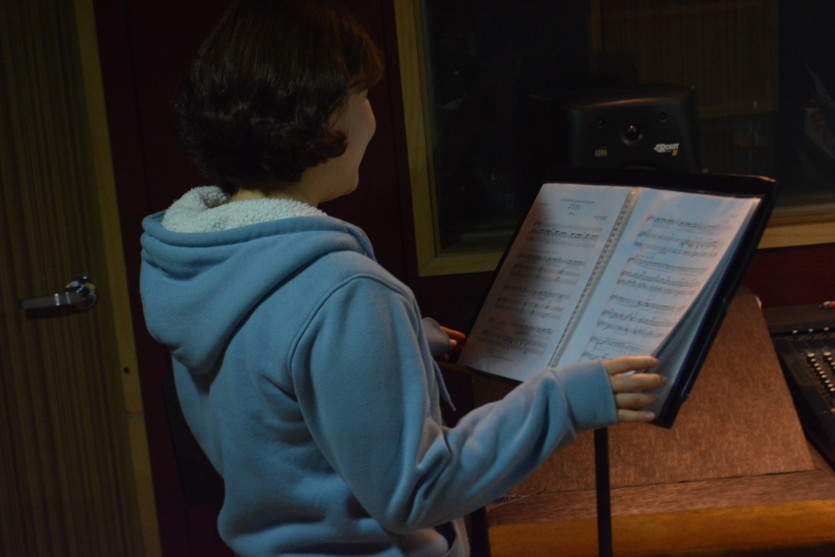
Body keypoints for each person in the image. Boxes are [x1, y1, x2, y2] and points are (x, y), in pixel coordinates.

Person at [139, 1, 667, 555]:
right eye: (363, 96)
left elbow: (277, 396)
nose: (372, 119)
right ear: (321, 114)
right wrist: (565, 402)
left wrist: (399, 339)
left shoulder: (200, 261)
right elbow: (418, 489)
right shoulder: (343, 292)